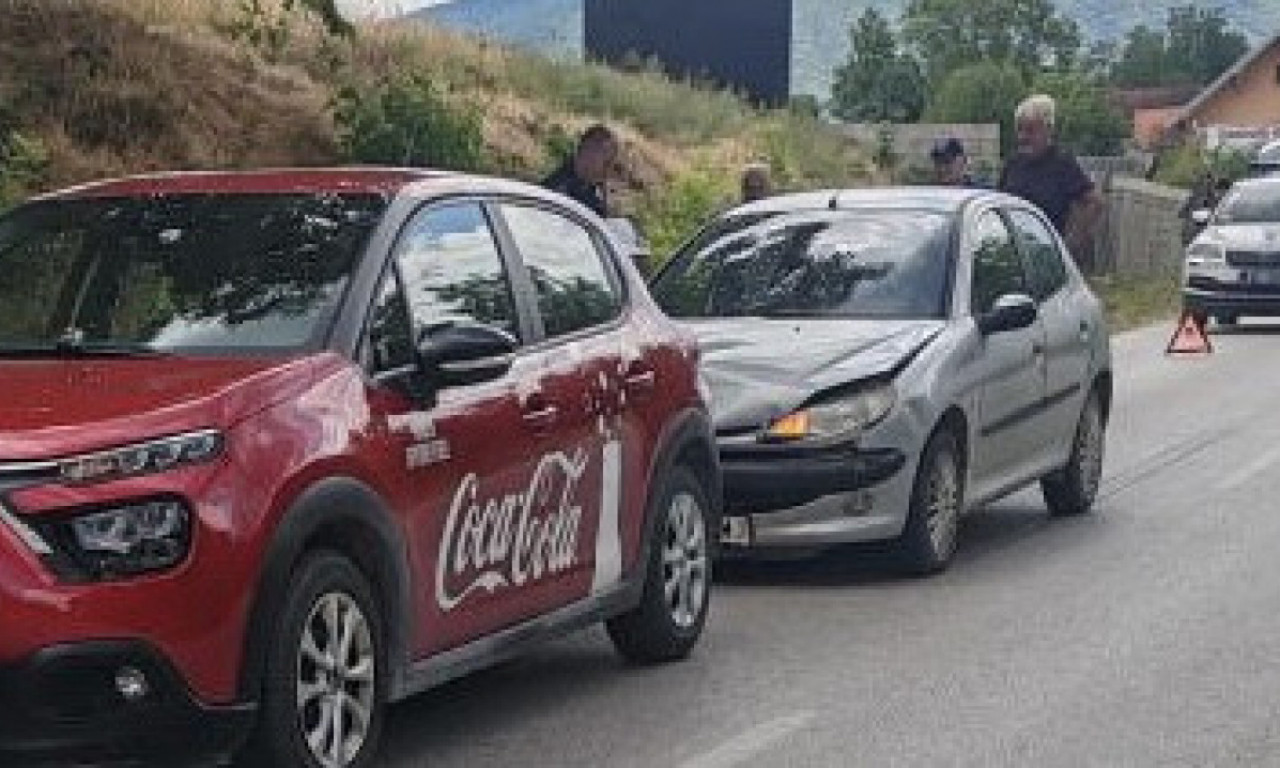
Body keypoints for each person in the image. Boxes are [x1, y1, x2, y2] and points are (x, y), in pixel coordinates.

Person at [999, 94, 1105, 259]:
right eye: (1019, 130)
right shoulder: (1013, 164)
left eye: (1030, 130)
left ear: (1048, 130)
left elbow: (1095, 202)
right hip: (1012, 253)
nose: (1023, 137)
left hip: (1045, 256)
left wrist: (1070, 243)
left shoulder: (1062, 164)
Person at [542, 124, 619, 218]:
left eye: (611, 163)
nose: (608, 170)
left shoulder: (590, 190)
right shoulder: (559, 190)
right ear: (588, 152)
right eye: (607, 162)